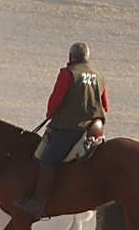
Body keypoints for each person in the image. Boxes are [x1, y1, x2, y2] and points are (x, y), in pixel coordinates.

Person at [16, 42, 108, 219]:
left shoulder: (68, 73)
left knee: (47, 160)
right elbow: (105, 106)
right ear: (87, 57)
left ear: (71, 57)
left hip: (70, 128)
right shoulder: (99, 75)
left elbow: (56, 101)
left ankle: (39, 203)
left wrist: (51, 114)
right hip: (95, 129)